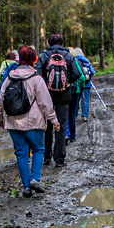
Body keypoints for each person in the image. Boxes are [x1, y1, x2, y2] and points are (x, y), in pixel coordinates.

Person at [0, 46, 60, 198]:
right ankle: (35, 179)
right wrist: (54, 120)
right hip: (33, 122)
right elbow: (46, 103)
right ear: (33, 60)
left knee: (21, 154)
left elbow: (0, 101)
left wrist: (0, 118)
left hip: (13, 123)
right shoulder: (36, 79)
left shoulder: (9, 78)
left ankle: (26, 188)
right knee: (38, 149)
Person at [34, 34, 81, 167]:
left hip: (46, 96)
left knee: (47, 127)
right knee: (60, 127)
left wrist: (44, 85)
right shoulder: (69, 56)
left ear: (49, 43)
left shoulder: (44, 56)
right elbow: (77, 73)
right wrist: (68, 82)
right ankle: (59, 158)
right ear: (62, 43)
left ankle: (46, 156)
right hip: (64, 96)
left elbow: (37, 73)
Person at [66, 47, 95, 143]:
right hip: (83, 86)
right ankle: (85, 115)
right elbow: (92, 72)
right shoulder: (85, 61)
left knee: (68, 110)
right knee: (85, 100)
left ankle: (67, 132)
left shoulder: (68, 60)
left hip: (70, 89)